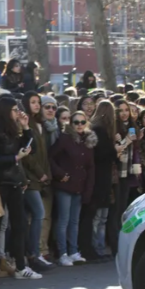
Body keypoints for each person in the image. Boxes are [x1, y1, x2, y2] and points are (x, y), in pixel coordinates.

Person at [0, 96, 41, 280]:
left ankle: (20, 266)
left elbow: (31, 149)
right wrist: (15, 158)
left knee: (20, 224)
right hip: (0, 182)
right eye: (14, 110)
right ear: (5, 111)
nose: (18, 112)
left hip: (15, 181)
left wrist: (26, 128)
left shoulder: (14, 129)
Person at [49, 110, 95, 267]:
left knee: (74, 221)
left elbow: (90, 167)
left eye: (83, 122)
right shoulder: (64, 139)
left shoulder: (88, 141)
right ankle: (62, 253)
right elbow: (51, 157)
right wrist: (60, 174)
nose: (80, 125)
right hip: (64, 186)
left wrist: (88, 190)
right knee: (63, 221)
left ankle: (74, 251)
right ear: (71, 124)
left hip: (79, 186)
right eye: (76, 122)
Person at [20, 92, 52, 272]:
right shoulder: (25, 124)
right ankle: (33, 253)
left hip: (40, 176)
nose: (37, 105)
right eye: (33, 102)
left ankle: (33, 253)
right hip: (29, 177)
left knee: (34, 216)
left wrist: (46, 173)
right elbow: (28, 154)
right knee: (38, 213)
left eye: (38, 102)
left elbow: (43, 154)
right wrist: (40, 173)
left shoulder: (40, 124)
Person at [88, 101, 118, 261]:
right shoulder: (99, 130)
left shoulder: (101, 130)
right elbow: (103, 154)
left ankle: (99, 247)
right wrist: (116, 150)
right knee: (98, 217)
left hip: (104, 178)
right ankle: (96, 247)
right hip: (100, 178)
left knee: (102, 217)